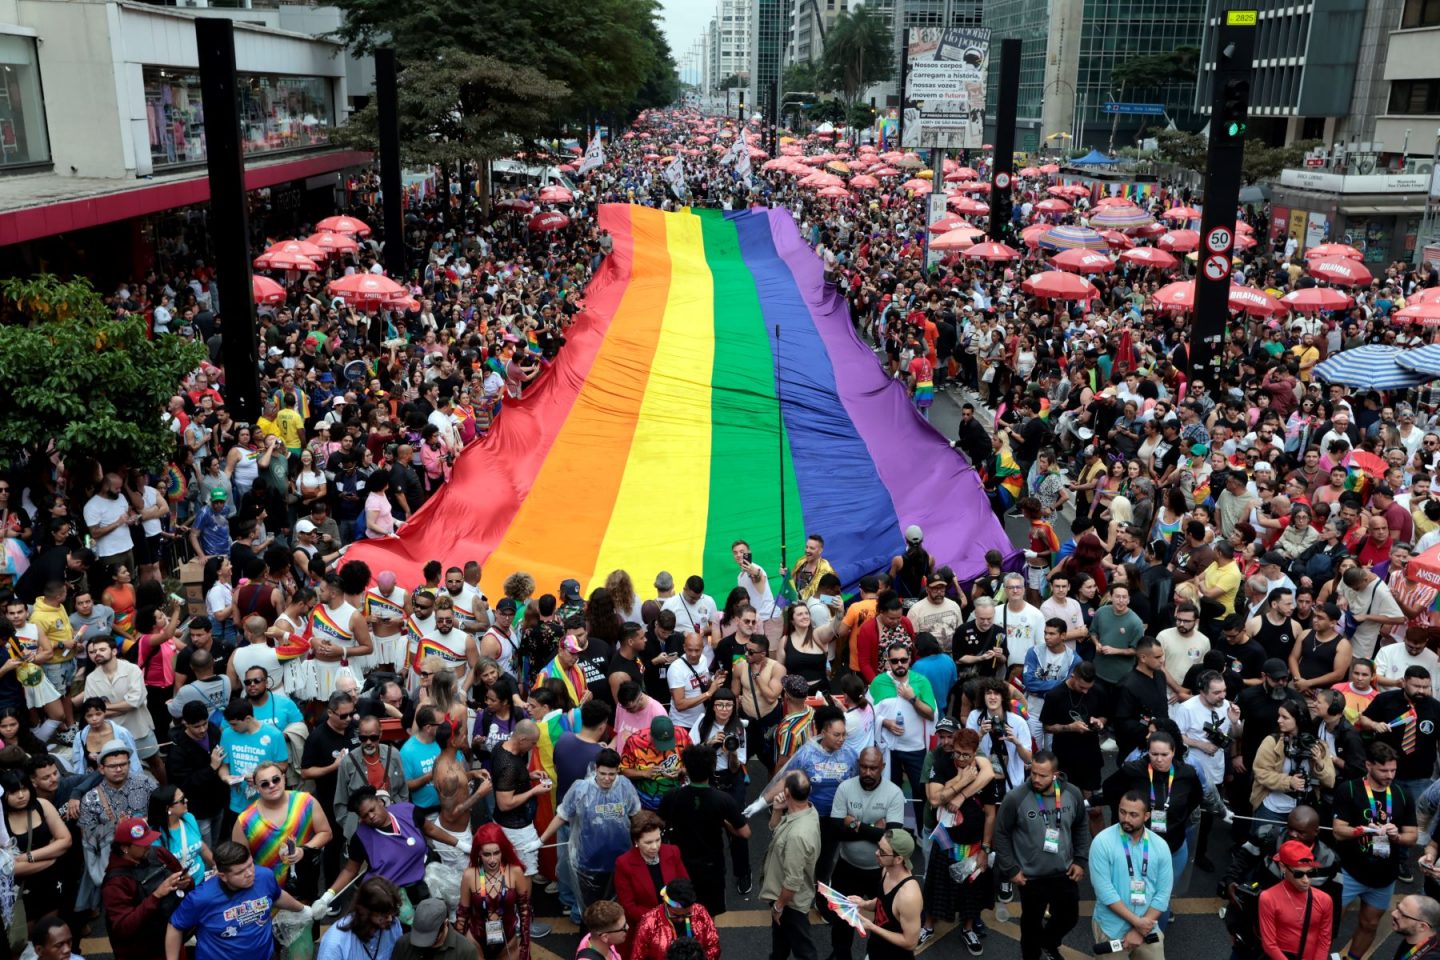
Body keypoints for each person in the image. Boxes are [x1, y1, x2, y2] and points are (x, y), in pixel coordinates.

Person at [994, 750, 1091, 960]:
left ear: (1055, 774)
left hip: (1064, 872)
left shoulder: (1072, 793)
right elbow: (1000, 833)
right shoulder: (1016, 798)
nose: (1036, 779)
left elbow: (1081, 825)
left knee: (1069, 917)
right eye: (1033, 773)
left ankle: (1048, 943)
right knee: (1031, 925)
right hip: (1031, 876)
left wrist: (1081, 860)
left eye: (1043, 775)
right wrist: (1010, 868)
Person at [1332, 742, 1419, 960]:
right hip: (1349, 871)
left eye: (1393, 770)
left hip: (1383, 876)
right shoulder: (1349, 789)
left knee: (1370, 924)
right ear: (1368, 765)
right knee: (1330, 921)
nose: (1390, 775)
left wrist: (1395, 836)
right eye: (1384, 770)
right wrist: (1364, 830)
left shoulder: (1402, 793)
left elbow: (1412, 836)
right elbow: (1338, 831)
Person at [164, 841, 307, 960]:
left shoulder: (264, 876)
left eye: (250, 865)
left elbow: (277, 896)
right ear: (223, 876)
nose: (250, 873)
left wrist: (304, 910)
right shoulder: (201, 898)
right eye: (240, 872)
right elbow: (175, 926)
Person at [537, 747, 640, 909]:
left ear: (618, 772)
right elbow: (562, 815)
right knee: (591, 910)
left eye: (611, 775)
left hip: (620, 860)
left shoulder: (625, 786)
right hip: (589, 862)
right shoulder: (581, 789)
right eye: (603, 773)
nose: (607, 779)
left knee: (617, 908)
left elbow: (636, 815)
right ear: (596, 769)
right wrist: (541, 840)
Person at [828, 746, 905, 960]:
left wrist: (855, 824)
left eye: (873, 768)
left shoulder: (894, 794)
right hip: (846, 868)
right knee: (841, 920)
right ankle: (841, 955)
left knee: (882, 921)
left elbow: (892, 838)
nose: (868, 773)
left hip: (879, 873)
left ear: (882, 767)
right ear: (858, 766)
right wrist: (875, 829)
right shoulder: (845, 788)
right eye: (863, 767)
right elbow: (835, 830)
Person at [657, 745, 750, 918]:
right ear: (712, 768)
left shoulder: (672, 796)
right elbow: (745, 833)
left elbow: (659, 823)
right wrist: (724, 822)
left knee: (679, 913)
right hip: (711, 867)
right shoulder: (723, 800)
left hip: (680, 864)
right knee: (707, 917)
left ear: (686, 768)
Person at [1089, 791, 1173, 960]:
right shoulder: (1102, 842)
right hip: (1111, 928)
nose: (1126, 819)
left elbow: (1163, 894)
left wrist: (1140, 929)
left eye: (1133, 814)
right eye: (1122, 812)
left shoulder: (1160, 846)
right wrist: (1137, 923)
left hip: (1147, 927)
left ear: (1147, 816)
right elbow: (1105, 892)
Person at [232, 760, 332, 900]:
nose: (272, 785)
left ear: (284, 778)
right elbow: (239, 861)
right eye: (265, 784)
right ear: (256, 787)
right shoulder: (245, 820)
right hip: (268, 891)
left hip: (305, 882)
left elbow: (326, 833)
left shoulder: (306, 802)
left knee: (309, 918)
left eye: (276, 779)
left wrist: (303, 850)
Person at [102, 815, 193, 960]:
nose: (148, 846)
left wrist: (186, 882)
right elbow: (123, 928)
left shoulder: (159, 853)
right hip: (143, 951)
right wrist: (156, 895)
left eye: (149, 840)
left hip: (173, 938)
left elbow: (184, 879)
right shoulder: (115, 883)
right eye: (142, 843)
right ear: (125, 848)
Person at [613, 811, 689, 959]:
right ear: (636, 841)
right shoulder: (624, 863)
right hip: (644, 930)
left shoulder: (672, 852)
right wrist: (661, 919)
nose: (655, 846)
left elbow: (685, 886)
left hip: (676, 924)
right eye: (648, 842)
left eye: (658, 840)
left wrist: (678, 911)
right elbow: (629, 906)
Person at [870, 640, 937, 806]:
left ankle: (922, 830)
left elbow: (931, 715)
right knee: (890, 793)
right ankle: (893, 830)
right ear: (888, 662)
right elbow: (868, 714)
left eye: (903, 660)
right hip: (888, 749)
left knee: (920, 792)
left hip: (915, 748)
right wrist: (885, 722)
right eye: (894, 661)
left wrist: (912, 698)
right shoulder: (879, 682)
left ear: (910, 660)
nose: (899, 664)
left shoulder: (921, 681)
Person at [763, 771, 822, 960]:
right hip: (784, 899)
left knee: (805, 952)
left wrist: (779, 906)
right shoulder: (809, 810)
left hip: (791, 903)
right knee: (780, 945)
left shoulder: (798, 835)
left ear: (787, 792)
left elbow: (793, 881)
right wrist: (778, 809)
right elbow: (775, 830)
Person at [456, 825, 536, 959]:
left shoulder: (515, 872)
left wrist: (525, 946)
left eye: (496, 853)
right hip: (476, 941)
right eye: (487, 854)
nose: (492, 860)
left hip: (507, 942)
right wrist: (458, 946)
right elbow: (462, 914)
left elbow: (524, 911)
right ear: (479, 854)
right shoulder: (469, 875)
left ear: (503, 851)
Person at [846, 829, 923, 960]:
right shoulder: (886, 871)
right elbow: (883, 901)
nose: (876, 853)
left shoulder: (909, 897)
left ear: (898, 859)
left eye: (882, 852)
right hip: (875, 950)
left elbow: (910, 942)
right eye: (878, 847)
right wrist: (864, 904)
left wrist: (872, 927)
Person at [1257, 840, 1333, 960]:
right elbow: (1269, 944)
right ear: (1282, 866)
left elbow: (1324, 940)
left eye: (1310, 873)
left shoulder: (1325, 900)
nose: (1306, 880)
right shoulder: (1268, 898)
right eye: (1299, 874)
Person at [630, 877, 721, 960]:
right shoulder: (649, 922)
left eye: (687, 914)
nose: (681, 919)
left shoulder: (700, 912)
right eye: (675, 915)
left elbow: (713, 946)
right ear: (666, 904)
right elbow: (638, 956)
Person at [315, 876, 405, 960]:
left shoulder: (393, 923)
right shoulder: (334, 944)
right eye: (383, 915)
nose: (390, 919)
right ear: (365, 911)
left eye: (391, 913)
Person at [398, 897, 481, 960]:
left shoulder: (466, 951)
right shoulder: (403, 944)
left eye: (431, 937)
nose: (424, 943)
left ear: (445, 924)